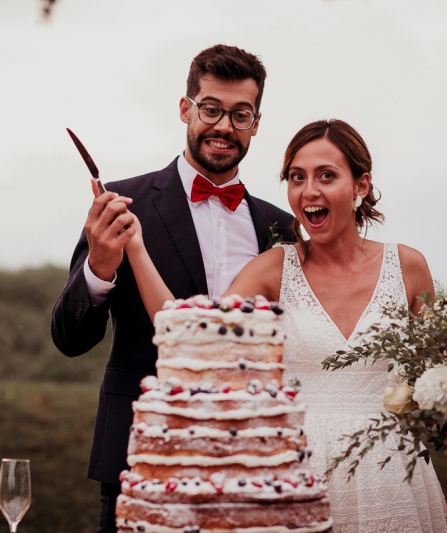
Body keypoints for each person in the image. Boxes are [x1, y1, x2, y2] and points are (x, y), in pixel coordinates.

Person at [124, 119, 447, 532]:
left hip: (394, 480)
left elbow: (443, 391)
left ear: (360, 186)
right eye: (297, 178)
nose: (308, 191)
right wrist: (136, 249)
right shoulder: (272, 270)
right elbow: (188, 337)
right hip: (298, 481)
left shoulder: (408, 267)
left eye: (326, 176)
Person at [50, 44, 295, 532]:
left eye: (240, 114)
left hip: (250, 466)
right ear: (186, 109)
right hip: (141, 456)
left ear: (256, 123)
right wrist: (100, 268)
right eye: (211, 109)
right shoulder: (123, 203)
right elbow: (69, 339)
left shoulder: (281, 226)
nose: (224, 126)